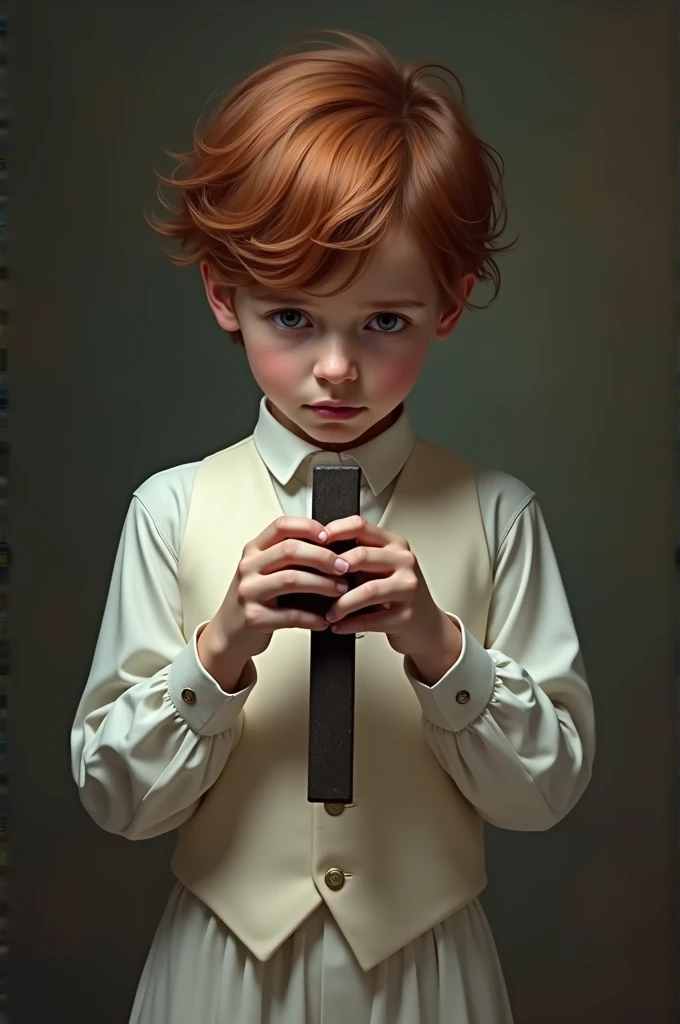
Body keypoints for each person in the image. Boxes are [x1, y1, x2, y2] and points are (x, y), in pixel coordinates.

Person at [70, 29, 595, 1024]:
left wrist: (443, 650)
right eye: (293, 319)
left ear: (447, 306)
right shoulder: (169, 510)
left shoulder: (498, 514)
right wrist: (220, 646)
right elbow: (116, 800)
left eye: (382, 321)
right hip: (217, 974)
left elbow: (546, 792)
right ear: (226, 298)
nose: (337, 369)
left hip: (428, 977)